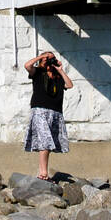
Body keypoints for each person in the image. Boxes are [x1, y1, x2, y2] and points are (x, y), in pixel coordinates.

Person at [23, 50, 72, 180]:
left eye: (52, 58)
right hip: (39, 110)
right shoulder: (38, 73)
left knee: (49, 143)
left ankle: (43, 172)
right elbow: (27, 65)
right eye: (47, 59)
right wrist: (41, 57)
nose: (49, 60)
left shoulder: (57, 76)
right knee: (45, 141)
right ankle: (43, 173)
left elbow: (69, 85)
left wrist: (60, 69)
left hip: (55, 112)